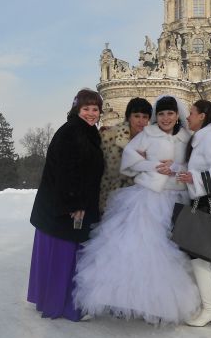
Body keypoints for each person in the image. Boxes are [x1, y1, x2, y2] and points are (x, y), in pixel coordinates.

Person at [73, 95, 198, 325]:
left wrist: (177, 168)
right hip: (148, 198)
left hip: (177, 198)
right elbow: (128, 163)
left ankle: (160, 304)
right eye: (161, 114)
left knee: (173, 254)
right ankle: (131, 301)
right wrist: (153, 166)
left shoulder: (187, 137)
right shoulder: (148, 135)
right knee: (139, 251)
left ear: (177, 115)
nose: (166, 118)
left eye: (170, 113)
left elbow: (195, 166)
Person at [28, 88, 105, 321]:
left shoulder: (87, 132)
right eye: (86, 109)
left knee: (64, 258)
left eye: (95, 109)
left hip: (65, 206)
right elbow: (66, 172)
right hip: (66, 208)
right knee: (65, 258)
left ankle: (56, 301)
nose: (91, 113)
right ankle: (63, 306)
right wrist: (74, 204)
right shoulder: (72, 132)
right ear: (76, 110)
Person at [177, 100, 211, 327]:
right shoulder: (201, 140)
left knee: (199, 258)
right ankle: (206, 306)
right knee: (199, 259)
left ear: (202, 116)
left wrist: (195, 179)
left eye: (191, 113)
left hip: (210, 201)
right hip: (203, 199)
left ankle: (210, 309)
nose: (188, 117)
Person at [98, 97, 152, 213]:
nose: (141, 121)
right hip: (109, 202)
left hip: (137, 205)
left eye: (145, 117)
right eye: (136, 116)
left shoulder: (151, 142)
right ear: (128, 117)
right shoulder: (109, 136)